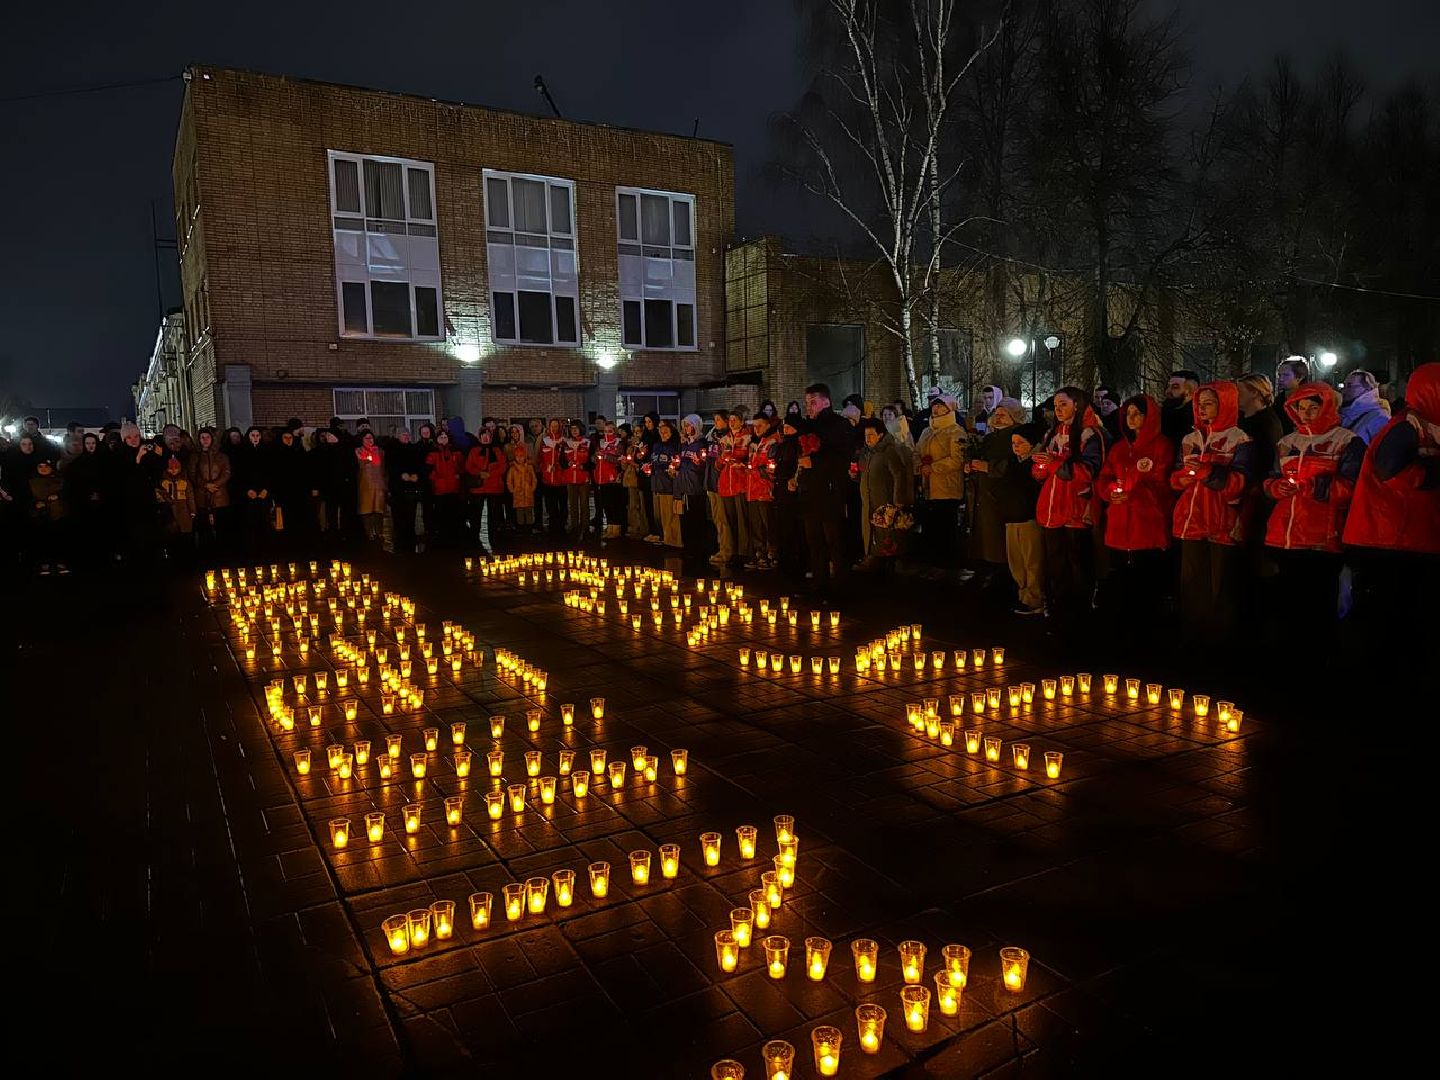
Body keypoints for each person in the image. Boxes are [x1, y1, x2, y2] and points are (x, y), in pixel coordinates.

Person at [1342, 363, 1440, 629]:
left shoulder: (1426, 426)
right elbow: (1388, 470)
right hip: (1388, 538)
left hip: (1408, 536)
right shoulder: (1407, 427)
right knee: (1385, 617)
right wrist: (1430, 476)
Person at [1262, 381, 1363, 625]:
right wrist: (1277, 488)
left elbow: (1351, 488)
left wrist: (1312, 486)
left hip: (1322, 537)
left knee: (1317, 605)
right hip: (1285, 535)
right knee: (1287, 606)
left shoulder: (1347, 441)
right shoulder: (1287, 442)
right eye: (1301, 408)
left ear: (1326, 407)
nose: (1305, 414)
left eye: (1312, 408)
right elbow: (1270, 479)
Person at [1171, 382, 1256, 634]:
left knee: (1221, 589)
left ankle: (1219, 645)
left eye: (1208, 403)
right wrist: (1181, 479)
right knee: (1192, 586)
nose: (1201, 408)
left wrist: (1208, 472)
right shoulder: (1190, 439)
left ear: (1225, 405)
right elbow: (1176, 475)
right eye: (1199, 404)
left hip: (1223, 523)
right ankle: (1192, 638)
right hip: (1191, 521)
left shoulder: (1240, 439)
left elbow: (1239, 483)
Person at [1030, 387, 1105, 621]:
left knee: (1078, 565)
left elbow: (1086, 473)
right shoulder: (1052, 434)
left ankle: (1079, 614)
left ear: (1077, 405)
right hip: (1051, 509)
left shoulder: (1089, 434)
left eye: (1063, 404)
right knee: (1056, 565)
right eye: (1055, 406)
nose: (1058, 410)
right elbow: (1044, 471)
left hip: (1075, 509)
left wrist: (1054, 464)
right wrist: (1040, 468)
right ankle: (1057, 610)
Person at [1096, 395, 1174, 609]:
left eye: (1137, 413)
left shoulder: (1161, 446)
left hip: (1148, 524)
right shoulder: (1119, 448)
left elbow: (1163, 484)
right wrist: (1111, 491)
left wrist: (1135, 492)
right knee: (1122, 582)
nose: (1131, 418)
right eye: (1128, 414)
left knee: (1147, 584)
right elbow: (1106, 477)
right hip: (1119, 524)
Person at [796, 383, 853, 598]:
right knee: (814, 539)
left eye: (813, 402)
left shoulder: (838, 425)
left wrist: (815, 462)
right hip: (810, 490)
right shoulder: (809, 426)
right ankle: (819, 582)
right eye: (807, 403)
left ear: (826, 401)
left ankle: (840, 584)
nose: (809, 407)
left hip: (829, 490)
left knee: (834, 539)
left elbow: (842, 457)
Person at [966, 397, 1025, 581]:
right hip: (984, 491)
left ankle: (1003, 570)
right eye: (997, 414)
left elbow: (1016, 463)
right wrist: (971, 466)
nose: (998, 418)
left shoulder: (1017, 435)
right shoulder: (990, 438)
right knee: (984, 531)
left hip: (1003, 493)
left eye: (1003, 415)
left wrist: (989, 467)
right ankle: (986, 564)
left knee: (998, 535)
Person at [914, 394, 966, 575]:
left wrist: (934, 467)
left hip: (947, 487)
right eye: (934, 406)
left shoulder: (956, 431)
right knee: (931, 525)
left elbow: (957, 459)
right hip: (928, 486)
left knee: (945, 526)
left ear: (949, 409)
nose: (935, 409)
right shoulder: (927, 431)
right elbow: (917, 451)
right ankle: (932, 561)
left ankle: (946, 564)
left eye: (940, 406)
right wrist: (919, 466)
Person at [857, 416, 913, 568]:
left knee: (886, 534)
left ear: (880, 435)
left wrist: (897, 500)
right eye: (865, 436)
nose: (867, 439)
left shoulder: (888, 452)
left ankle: (888, 562)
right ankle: (875, 557)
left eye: (871, 435)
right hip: (870, 501)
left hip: (884, 501)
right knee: (874, 532)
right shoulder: (868, 453)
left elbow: (899, 474)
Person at [1002, 423, 1046, 615]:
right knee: (1016, 560)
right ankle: (1023, 594)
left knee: (1032, 560)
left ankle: (1034, 598)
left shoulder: (1036, 465)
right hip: (1012, 517)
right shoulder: (1013, 463)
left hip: (1029, 517)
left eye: (1021, 442)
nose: (1016, 446)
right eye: (1013, 443)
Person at [715, 409, 751, 566]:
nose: (731, 422)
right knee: (730, 520)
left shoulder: (748, 437)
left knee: (743, 519)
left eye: (735, 419)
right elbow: (717, 464)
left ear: (742, 421)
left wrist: (740, 463)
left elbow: (750, 458)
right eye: (730, 419)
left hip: (740, 483)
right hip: (726, 485)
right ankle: (734, 550)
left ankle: (745, 552)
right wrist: (722, 460)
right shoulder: (724, 439)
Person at [772, 411, 805, 580]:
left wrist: (793, 478)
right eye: (784, 427)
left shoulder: (799, 445)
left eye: (789, 427)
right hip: (780, 487)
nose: (786, 430)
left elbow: (798, 464)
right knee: (781, 524)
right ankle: (783, 557)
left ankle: (795, 559)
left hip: (791, 490)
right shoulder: (783, 445)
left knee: (793, 525)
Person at [743, 414, 780, 569]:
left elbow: (772, 468)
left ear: (767, 425)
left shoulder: (773, 442)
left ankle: (773, 555)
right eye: (754, 426)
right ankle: (760, 554)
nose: (756, 429)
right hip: (753, 489)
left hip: (765, 490)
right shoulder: (757, 443)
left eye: (760, 425)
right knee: (756, 525)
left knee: (769, 525)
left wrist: (757, 470)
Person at [190, 426, 231, 553]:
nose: (205, 440)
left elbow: (227, 472)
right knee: (205, 528)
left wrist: (216, 484)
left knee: (222, 527)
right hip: (202, 496)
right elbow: (192, 474)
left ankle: (223, 552)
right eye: (202, 438)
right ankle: (207, 554)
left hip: (220, 496)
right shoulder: (195, 456)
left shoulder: (221, 456)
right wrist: (205, 485)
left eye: (207, 437)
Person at [464, 428, 506, 550]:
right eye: (483, 435)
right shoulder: (474, 450)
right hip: (479, 487)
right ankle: (474, 539)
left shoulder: (497, 450)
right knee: (476, 514)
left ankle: (494, 538)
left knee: (494, 515)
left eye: (488, 435)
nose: (486, 438)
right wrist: (479, 473)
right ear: (480, 437)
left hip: (494, 487)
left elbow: (503, 466)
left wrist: (490, 474)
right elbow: (468, 466)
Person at [232, 426, 273, 550]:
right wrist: (247, 490)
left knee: (264, 522)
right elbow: (238, 474)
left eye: (257, 435)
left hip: (263, 494)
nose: (255, 438)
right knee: (249, 523)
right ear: (248, 437)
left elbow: (271, 473)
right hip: (248, 495)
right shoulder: (241, 452)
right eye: (252, 435)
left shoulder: (266, 451)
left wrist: (266, 489)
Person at [676, 414, 710, 556]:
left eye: (689, 425)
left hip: (695, 486)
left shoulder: (701, 444)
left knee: (697, 515)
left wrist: (697, 463)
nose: (686, 428)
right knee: (685, 516)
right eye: (685, 425)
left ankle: (698, 546)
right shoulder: (684, 444)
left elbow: (702, 464)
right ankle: (687, 544)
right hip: (684, 485)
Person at [28, 459, 69, 573]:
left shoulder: (60, 480)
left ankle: (60, 562)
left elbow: (67, 494)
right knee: (43, 539)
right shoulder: (32, 482)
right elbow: (28, 498)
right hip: (41, 516)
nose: (43, 468)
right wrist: (36, 504)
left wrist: (58, 496)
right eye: (40, 466)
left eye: (46, 466)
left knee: (58, 538)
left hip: (58, 514)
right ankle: (44, 562)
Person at [424, 429, 464, 546]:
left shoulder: (456, 452)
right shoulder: (433, 453)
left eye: (445, 437)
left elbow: (462, 466)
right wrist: (436, 478)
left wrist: (458, 475)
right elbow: (428, 470)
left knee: (453, 512)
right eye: (441, 438)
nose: (443, 439)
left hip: (453, 488)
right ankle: (442, 537)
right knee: (441, 513)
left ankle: (453, 536)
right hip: (439, 489)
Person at [387, 429, 424, 554]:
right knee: (398, 516)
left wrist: (416, 476)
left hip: (411, 488)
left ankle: (410, 540)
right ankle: (400, 541)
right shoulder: (392, 450)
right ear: (398, 436)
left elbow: (418, 465)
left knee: (411, 515)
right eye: (404, 434)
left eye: (408, 434)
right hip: (398, 489)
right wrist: (400, 475)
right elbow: (390, 467)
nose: (407, 437)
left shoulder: (413, 449)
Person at [156, 453, 197, 564]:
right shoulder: (163, 482)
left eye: (176, 468)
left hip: (184, 511)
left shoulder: (185, 482)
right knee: (172, 535)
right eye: (170, 468)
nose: (173, 471)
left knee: (186, 534)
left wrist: (193, 511)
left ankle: (187, 557)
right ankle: (173, 558)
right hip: (169, 512)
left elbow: (190, 497)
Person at [649, 418, 683, 548]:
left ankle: (673, 540)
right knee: (660, 515)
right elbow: (654, 461)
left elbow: (676, 464)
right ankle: (665, 537)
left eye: (666, 432)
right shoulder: (657, 446)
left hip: (668, 484)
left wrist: (672, 469)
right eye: (661, 432)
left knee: (670, 515)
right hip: (656, 483)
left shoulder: (674, 447)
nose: (663, 434)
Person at [704, 410, 731, 565]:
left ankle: (726, 550)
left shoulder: (726, 439)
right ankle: (721, 547)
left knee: (723, 518)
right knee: (716, 518)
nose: (716, 423)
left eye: (719, 420)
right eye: (714, 420)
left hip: (720, 482)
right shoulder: (712, 438)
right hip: (711, 481)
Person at [592, 420, 626, 538]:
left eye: (610, 431)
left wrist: (606, 456)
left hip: (613, 478)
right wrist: (596, 457)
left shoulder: (618, 444)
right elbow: (594, 458)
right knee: (606, 504)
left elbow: (620, 459)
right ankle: (610, 527)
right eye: (605, 431)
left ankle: (616, 528)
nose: (607, 433)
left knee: (614, 504)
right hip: (601, 477)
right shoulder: (601, 443)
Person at [1339, 370, 1392, 445]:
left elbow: (1383, 450)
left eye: (1350, 386)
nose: (1344, 391)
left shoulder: (1380, 417)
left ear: (1367, 388)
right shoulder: (1344, 414)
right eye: (1344, 386)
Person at [537, 419, 569, 537]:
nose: (554, 428)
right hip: (548, 478)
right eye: (552, 426)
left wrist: (559, 467)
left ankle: (562, 524)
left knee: (562, 503)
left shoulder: (564, 441)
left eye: (556, 426)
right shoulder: (545, 441)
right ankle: (553, 524)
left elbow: (567, 459)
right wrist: (544, 468)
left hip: (561, 479)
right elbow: (540, 457)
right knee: (550, 504)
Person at [354, 431, 387, 543]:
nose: (369, 440)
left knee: (379, 510)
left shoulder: (380, 451)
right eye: (366, 438)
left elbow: (383, 468)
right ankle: (369, 533)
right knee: (366, 510)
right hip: (365, 484)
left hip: (379, 485)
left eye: (371, 438)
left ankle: (379, 532)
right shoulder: (358, 451)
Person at [562, 421, 592, 544]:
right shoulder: (566, 444)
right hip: (570, 478)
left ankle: (585, 527)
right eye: (572, 429)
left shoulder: (587, 443)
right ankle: (574, 526)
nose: (574, 431)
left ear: (581, 429)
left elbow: (592, 461)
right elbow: (562, 460)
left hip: (583, 477)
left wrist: (584, 467)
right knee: (573, 504)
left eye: (576, 428)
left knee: (584, 504)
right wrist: (566, 464)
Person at [636, 412, 661, 541]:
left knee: (655, 503)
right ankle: (651, 529)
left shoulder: (658, 436)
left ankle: (658, 530)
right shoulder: (644, 436)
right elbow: (640, 451)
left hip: (655, 472)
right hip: (644, 472)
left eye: (650, 422)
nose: (647, 424)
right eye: (646, 422)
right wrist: (639, 456)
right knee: (647, 502)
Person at [1161, 371, 1200, 447]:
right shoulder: (1161, 416)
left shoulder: (1199, 421)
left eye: (1175, 387)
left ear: (1190, 392)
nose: (1167, 391)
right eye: (1168, 386)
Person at [506, 443, 538, 532]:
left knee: (528, 512)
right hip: (518, 495)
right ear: (515, 457)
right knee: (519, 512)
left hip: (528, 494)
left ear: (525, 456)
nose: (520, 458)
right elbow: (509, 480)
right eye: (517, 456)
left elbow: (534, 479)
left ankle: (529, 528)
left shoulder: (530, 467)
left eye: (522, 456)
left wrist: (532, 488)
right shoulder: (512, 468)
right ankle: (521, 528)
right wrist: (512, 490)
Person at [1275, 358, 1310, 434]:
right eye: (1279, 375)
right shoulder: (1278, 402)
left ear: (1299, 377)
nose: (1281, 379)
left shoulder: (1311, 400)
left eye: (1286, 375)